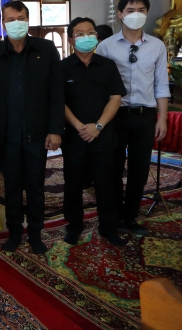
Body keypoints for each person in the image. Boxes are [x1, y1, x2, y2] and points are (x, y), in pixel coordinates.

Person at [0, 1, 64, 254]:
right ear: (3, 23)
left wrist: (55, 129)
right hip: (7, 135)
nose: (15, 23)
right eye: (10, 19)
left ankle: (36, 233)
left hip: (37, 133)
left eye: (20, 18)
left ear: (27, 20)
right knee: (12, 187)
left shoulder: (45, 49)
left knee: (36, 186)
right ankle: (15, 233)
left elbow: (56, 91)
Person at [97, 0, 170, 236]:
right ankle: (115, 217)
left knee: (140, 169)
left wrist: (162, 117)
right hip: (116, 115)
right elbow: (100, 86)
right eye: (130, 10)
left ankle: (131, 217)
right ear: (120, 14)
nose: (135, 14)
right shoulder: (106, 46)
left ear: (147, 14)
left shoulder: (157, 46)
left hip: (145, 115)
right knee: (113, 168)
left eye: (141, 10)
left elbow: (161, 85)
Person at [61, 17, 127, 246]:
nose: (86, 37)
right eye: (80, 34)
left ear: (97, 37)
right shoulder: (62, 67)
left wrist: (98, 126)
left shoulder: (108, 66)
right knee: (73, 183)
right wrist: (79, 126)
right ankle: (74, 225)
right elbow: (58, 101)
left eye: (90, 32)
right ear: (71, 40)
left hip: (104, 135)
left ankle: (108, 227)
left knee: (106, 183)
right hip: (75, 136)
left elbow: (115, 98)